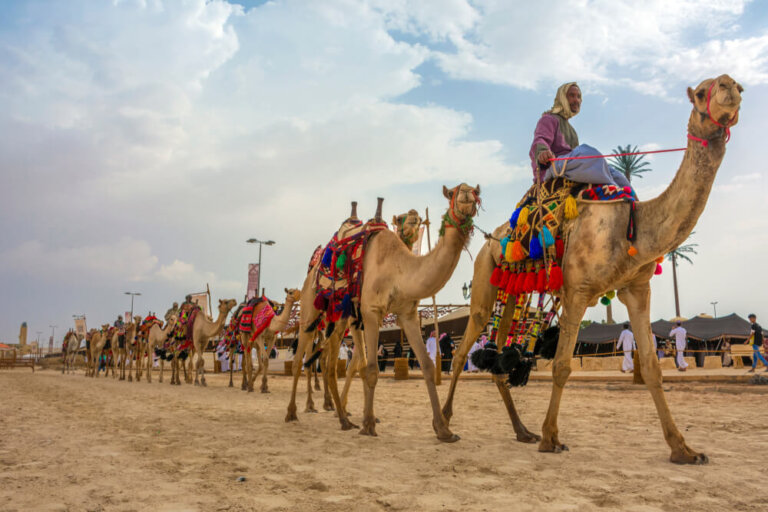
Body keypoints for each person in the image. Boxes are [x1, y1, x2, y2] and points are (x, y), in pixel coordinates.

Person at [529, 82, 630, 187]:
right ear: (562, 98)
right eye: (572, 96)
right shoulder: (549, 119)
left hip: (570, 166)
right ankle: (613, 189)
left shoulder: (572, 130)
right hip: (552, 167)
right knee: (588, 152)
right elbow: (540, 139)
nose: (576, 100)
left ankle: (630, 196)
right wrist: (543, 152)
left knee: (615, 174)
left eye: (578, 97)